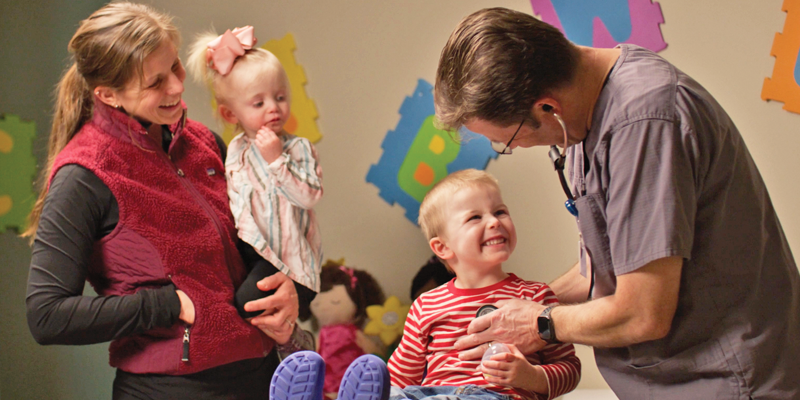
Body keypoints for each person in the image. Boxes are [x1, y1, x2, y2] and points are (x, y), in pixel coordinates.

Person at [434, 7, 800, 399]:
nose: (516, 147)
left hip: (727, 379)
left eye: (507, 140)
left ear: (546, 108)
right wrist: (521, 301)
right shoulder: (581, 118)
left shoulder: (644, 124)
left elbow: (643, 312)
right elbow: (603, 266)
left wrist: (540, 323)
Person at [23, 3, 308, 398]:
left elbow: (260, 234)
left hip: (261, 376)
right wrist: (167, 305)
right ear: (108, 94)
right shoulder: (83, 178)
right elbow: (47, 316)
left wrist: (285, 286)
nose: (177, 86)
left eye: (174, 67)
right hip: (169, 389)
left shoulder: (205, 143)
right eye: (155, 82)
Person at [268, 170, 581, 400]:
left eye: (500, 211)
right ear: (442, 248)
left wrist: (532, 377)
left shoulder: (535, 298)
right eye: (475, 218)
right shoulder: (427, 305)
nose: (494, 221)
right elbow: (402, 375)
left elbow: (569, 368)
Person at [186, 25, 323, 321]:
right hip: (250, 250)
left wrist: (276, 161)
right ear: (230, 115)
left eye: (280, 97)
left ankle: (293, 345)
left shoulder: (298, 148)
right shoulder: (235, 150)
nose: (273, 108)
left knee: (245, 305)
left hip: (286, 260)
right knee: (219, 295)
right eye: (259, 103)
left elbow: (309, 197)